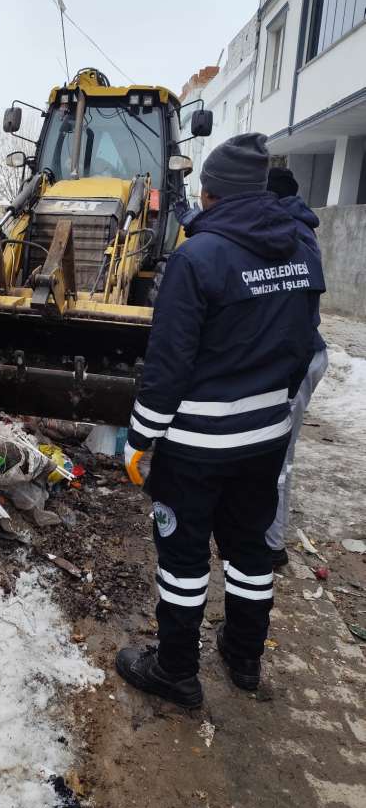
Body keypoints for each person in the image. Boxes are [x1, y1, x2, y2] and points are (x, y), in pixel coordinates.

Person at [116, 134, 325, 709]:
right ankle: (243, 657)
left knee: (183, 559)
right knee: (250, 551)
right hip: (265, 441)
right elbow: (304, 342)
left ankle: (177, 670)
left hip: (196, 447)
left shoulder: (197, 258)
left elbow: (168, 364)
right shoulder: (302, 250)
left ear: (209, 194)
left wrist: (140, 438)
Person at [264, 167, 328, 568]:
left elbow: (298, 317)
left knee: (279, 454)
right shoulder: (293, 228)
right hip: (295, 355)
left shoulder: (293, 236)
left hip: (299, 359)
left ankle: (271, 546)